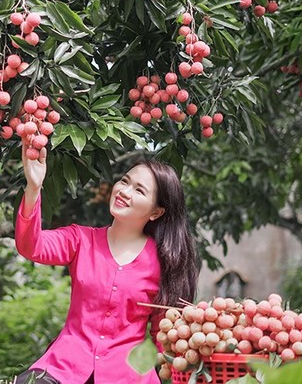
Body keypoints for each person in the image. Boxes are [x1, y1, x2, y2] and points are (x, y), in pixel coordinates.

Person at [13, 143, 201, 383]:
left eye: (139, 190)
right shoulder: (80, 239)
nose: (124, 191)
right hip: (64, 368)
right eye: (124, 181)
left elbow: (163, 335)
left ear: (156, 212)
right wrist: (34, 187)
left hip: (127, 376)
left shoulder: (164, 262)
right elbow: (32, 245)